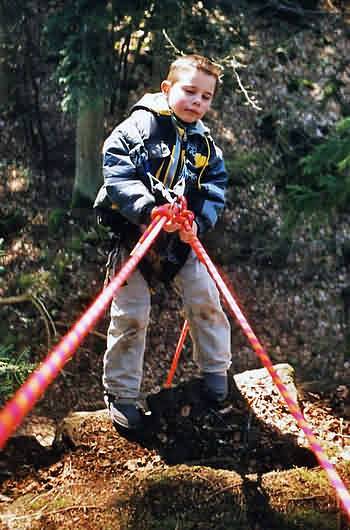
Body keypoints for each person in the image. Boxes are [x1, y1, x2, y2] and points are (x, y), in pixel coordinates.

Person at [94, 54, 232, 431]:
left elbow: (214, 187)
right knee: (131, 314)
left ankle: (216, 373)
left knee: (205, 297)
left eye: (206, 97)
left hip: (179, 242)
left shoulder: (206, 146)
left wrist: (198, 222)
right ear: (167, 89)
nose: (197, 102)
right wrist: (145, 207)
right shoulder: (140, 126)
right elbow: (116, 164)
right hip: (134, 237)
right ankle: (121, 393)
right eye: (190, 92)